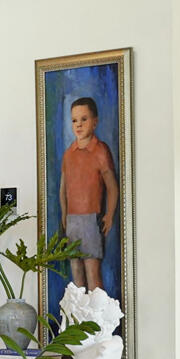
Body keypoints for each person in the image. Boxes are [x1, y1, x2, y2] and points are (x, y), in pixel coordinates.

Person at [56, 95, 118, 291]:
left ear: (95, 122)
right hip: (73, 220)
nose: (79, 125)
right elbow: (63, 189)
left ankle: (96, 319)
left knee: (92, 272)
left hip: (91, 219)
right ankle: (79, 319)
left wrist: (109, 215)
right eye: (74, 120)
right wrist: (65, 215)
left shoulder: (100, 151)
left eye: (84, 119)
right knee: (76, 271)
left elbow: (112, 187)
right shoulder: (68, 153)